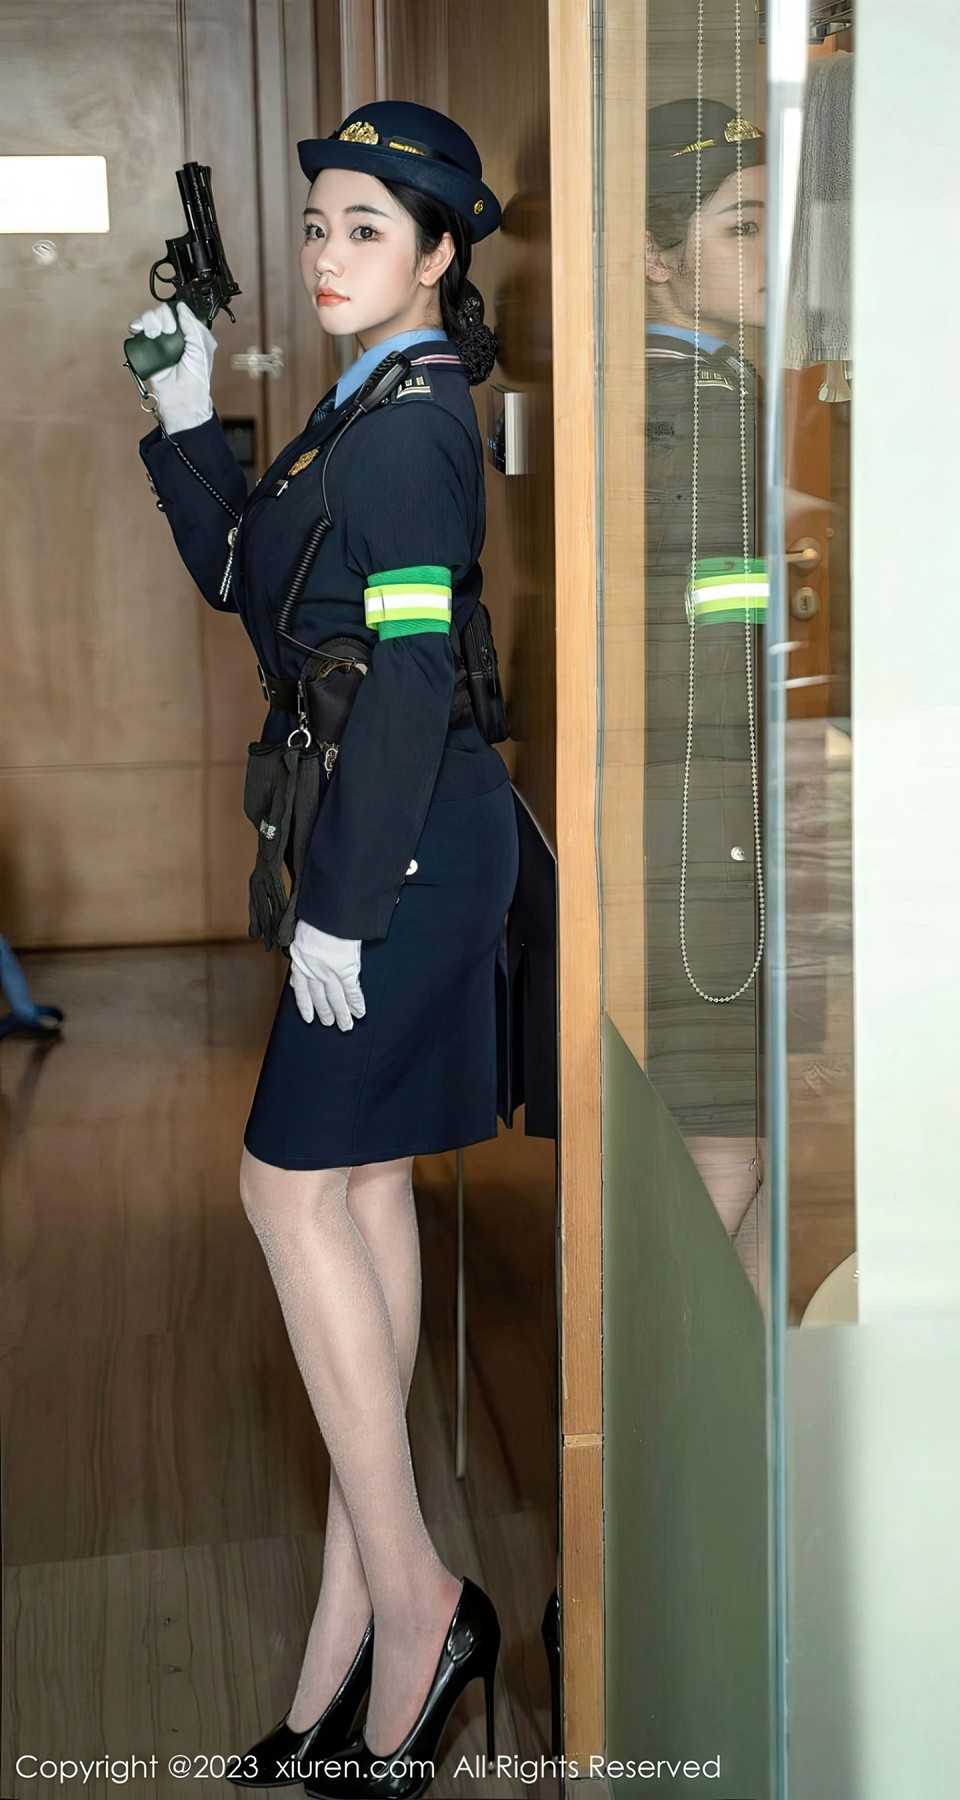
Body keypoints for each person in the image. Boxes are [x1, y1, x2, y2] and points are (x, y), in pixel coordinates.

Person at [129, 102, 515, 1798]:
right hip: (371, 831)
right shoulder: (354, 407)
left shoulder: (414, 428)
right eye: (318, 224)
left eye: (368, 226)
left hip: (403, 848)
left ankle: (420, 1606)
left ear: (437, 254)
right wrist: (184, 417)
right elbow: (247, 579)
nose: (328, 251)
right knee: (353, 1192)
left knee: (286, 1190)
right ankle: (349, 1642)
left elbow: (416, 680)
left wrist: (351, 907)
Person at [642, 99, 770, 1248]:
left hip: (696, 801)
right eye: (742, 227)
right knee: (728, 1142)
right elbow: (719, 649)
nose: (771, 254)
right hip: (710, 807)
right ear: (655, 258)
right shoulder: (702, 402)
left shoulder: (700, 384)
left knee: (743, 1141)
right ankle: (674, 1365)